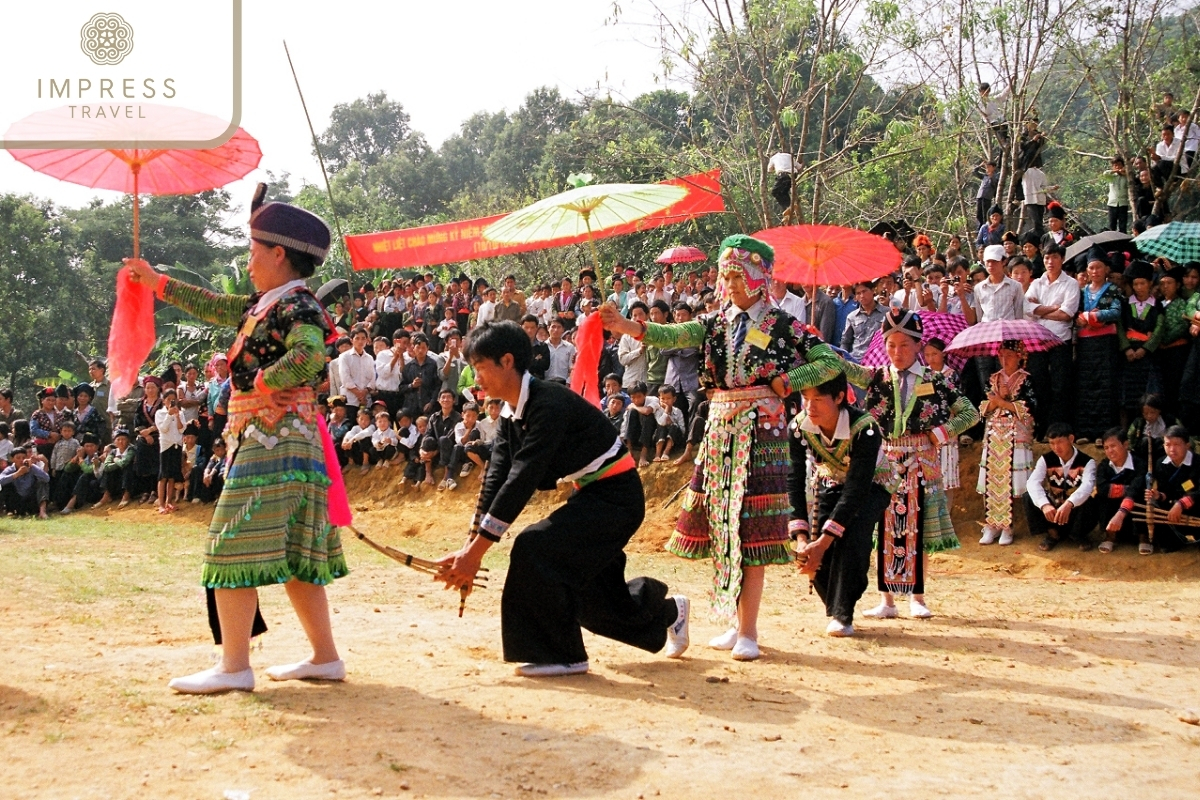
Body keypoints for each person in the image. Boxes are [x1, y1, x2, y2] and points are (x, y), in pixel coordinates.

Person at [126, 195, 346, 694]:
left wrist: (265, 383)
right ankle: (324, 656)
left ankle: (234, 666)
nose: (246, 263)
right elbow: (211, 303)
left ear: (278, 255)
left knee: (229, 542)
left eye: (251, 252)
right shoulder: (270, 305)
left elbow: (310, 357)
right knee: (295, 551)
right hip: (283, 439)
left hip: (275, 438)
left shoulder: (296, 305)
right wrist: (154, 280)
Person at [600, 234, 843, 661]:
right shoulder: (716, 322)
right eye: (726, 275)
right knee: (724, 525)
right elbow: (674, 333)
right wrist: (626, 326)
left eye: (736, 276)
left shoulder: (785, 326)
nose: (728, 284)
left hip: (762, 433)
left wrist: (790, 383)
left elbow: (830, 362)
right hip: (719, 430)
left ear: (758, 278)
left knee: (750, 529)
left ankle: (748, 629)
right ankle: (734, 623)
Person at [434, 320, 690, 677]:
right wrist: (470, 544)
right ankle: (668, 612)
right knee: (589, 599)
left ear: (507, 361)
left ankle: (559, 654)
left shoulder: (548, 403)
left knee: (535, 547)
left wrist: (475, 554)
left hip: (616, 499)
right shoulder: (511, 413)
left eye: (479, 367)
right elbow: (498, 476)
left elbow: (523, 477)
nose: (475, 377)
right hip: (592, 496)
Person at [844, 310, 979, 619]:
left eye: (904, 345)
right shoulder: (877, 376)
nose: (897, 352)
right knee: (883, 530)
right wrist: (821, 346)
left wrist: (939, 433)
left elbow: (970, 413)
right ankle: (886, 600)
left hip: (921, 461)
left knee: (917, 530)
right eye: (891, 345)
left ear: (918, 345)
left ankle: (917, 597)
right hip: (885, 461)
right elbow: (846, 368)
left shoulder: (936, 380)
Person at [788, 373, 898, 637]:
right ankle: (836, 606)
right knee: (818, 550)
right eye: (806, 399)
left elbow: (857, 489)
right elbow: (793, 478)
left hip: (873, 486)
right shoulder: (799, 427)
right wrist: (802, 539)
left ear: (839, 398)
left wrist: (824, 541)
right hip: (830, 481)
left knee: (851, 538)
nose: (810, 407)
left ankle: (842, 613)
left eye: (818, 399)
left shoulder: (865, 428)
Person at [976, 341, 1037, 545]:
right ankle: (991, 524)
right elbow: (982, 407)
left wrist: (1002, 402)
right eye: (1002, 354)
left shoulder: (1026, 380)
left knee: (1009, 479)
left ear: (1020, 356)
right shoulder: (993, 378)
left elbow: (1030, 407)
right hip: (994, 432)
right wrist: (996, 400)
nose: (1005, 358)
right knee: (992, 478)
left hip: (1015, 433)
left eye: (1010, 354)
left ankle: (1007, 526)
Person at [1108, 425, 1200, 554]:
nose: (1172, 449)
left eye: (1177, 444)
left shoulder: (1197, 463)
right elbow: (1166, 492)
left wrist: (1181, 504)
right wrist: (1159, 495)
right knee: (1154, 509)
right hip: (1171, 509)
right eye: (1168, 445)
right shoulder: (1161, 464)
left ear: (1187, 445)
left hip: (1195, 507)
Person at [1024, 243, 1078, 436]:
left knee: (1060, 386)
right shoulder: (1036, 283)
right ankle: (1041, 428)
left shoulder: (1071, 283)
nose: (1050, 261)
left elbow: (1066, 314)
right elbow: (1027, 309)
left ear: (1062, 259)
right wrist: (1052, 308)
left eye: (1054, 257)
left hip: (1060, 340)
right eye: (1047, 258)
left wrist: (1041, 311)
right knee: (1038, 384)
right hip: (1037, 341)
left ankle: (1059, 429)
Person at [1075, 250, 1124, 441]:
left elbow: (1116, 312)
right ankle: (1086, 431)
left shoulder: (1113, 290)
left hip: (1105, 343)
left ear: (1106, 269)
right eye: (1091, 268)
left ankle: (1104, 433)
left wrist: (1093, 316)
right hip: (1086, 343)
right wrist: (1081, 318)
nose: (1094, 271)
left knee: (1105, 385)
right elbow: (1074, 312)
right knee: (1086, 384)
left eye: (1098, 267)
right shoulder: (1081, 292)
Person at [1024, 423, 1097, 552]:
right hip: (1054, 510)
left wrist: (1069, 503)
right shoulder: (1045, 459)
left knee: (1090, 499)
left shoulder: (1087, 461)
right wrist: (1044, 505)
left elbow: (1087, 486)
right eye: (1052, 443)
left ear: (1071, 439)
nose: (1056, 447)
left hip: (1075, 512)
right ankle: (1053, 534)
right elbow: (1032, 482)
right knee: (1028, 495)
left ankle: (1078, 534)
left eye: (1059, 442)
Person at [1118, 260, 1164, 421]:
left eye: (1142, 283)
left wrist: (1145, 348)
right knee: (1127, 394)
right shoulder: (1125, 304)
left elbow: (1159, 329)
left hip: (1148, 356)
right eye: (1135, 284)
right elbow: (1120, 327)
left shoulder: (1157, 305)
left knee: (1147, 393)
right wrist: (1126, 349)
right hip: (1129, 355)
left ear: (1150, 283)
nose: (1139, 287)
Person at [1089, 427, 1144, 553]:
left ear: (1125, 444)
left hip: (1133, 504)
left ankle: (1143, 537)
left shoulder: (1139, 463)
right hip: (1113, 505)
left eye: (1113, 446)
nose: (1110, 451)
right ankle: (1110, 536)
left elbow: (1137, 487)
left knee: (1142, 496)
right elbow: (1102, 488)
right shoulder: (1104, 465)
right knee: (1101, 497)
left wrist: (1128, 495)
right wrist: (1127, 489)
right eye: (1106, 447)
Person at [155, 388, 186, 513]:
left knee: (172, 475)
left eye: (173, 400)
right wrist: (169, 414)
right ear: (164, 401)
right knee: (163, 476)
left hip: (177, 445)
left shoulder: (181, 413)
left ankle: (169, 502)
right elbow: (163, 428)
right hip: (166, 445)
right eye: (168, 400)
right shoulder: (160, 413)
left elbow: (181, 429)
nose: (171, 402)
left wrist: (177, 416)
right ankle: (161, 504)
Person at [840, 282, 886, 362]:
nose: (862, 296)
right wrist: (844, 359)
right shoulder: (852, 317)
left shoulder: (886, 313)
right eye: (858, 293)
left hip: (879, 360)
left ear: (873, 291)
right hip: (857, 359)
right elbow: (845, 341)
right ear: (855, 297)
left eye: (864, 291)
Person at [0, 447, 49, 519]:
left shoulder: (32, 467)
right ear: (12, 459)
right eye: (18, 458)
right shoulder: (10, 469)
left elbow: (46, 478)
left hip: (31, 499)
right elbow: (1, 480)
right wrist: (16, 474)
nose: (21, 460)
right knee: (6, 485)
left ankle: (42, 512)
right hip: (16, 500)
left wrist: (32, 466)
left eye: (23, 457)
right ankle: (9, 511)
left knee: (42, 483)